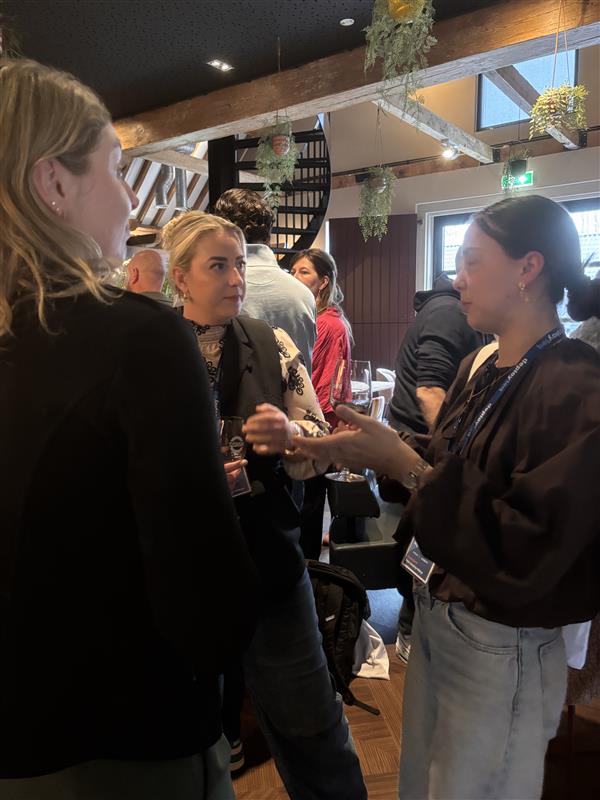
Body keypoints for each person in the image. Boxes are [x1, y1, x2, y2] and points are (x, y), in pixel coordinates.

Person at [0, 58, 258, 800]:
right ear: (53, 183)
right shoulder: (139, 339)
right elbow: (204, 603)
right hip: (120, 743)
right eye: (116, 168)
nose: (132, 195)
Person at [293, 195, 600, 800]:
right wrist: (368, 451)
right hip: (441, 613)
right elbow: (448, 467)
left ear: (528, 268)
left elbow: (530, 547)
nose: (455, 279)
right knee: (424, 784)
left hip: (501, 642)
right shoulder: (483, 365)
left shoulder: (575, 385)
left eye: (471, 262)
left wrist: (406, 467)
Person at [161, 210, 367, 800]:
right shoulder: (151, 351)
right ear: (180, 276)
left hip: (269, 560)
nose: (236, 279)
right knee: (187, 730)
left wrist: (291, 435)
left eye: (238, 265)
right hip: (183, 570)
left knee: (311, 722)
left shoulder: (271, 343)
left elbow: (319, 437)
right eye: (217, 266)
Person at [386, 260, 488, 663]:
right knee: (430, 537)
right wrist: (456, 457)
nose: (464, 279)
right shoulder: (450, 312)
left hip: (423, 449)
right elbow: (430, 391)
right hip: (420, 450)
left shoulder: (452, 311)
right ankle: (413, 631)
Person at [290, 248, 353, 559]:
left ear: (323, 281)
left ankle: (310, 573)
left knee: (309, 506)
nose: (296, 277)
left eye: (304, 272)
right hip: (314, 421)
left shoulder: (328, 324)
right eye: (293, 271)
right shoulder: (321, 318)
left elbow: (327, 385)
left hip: (318, 424)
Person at [214, 188, 317, 373]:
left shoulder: (210, 291)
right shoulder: (304, 295)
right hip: (296, 392)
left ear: (219, 233)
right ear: (269, 237)